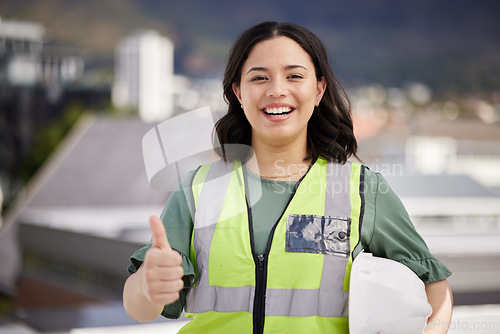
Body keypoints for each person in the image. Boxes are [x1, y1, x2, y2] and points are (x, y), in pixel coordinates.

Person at [123, 21, 453, 333]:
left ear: (319, 89)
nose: (277, 90)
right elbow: (140, 308)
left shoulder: (364, 190)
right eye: (259, 78)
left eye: (294, 76)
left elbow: (434, 289)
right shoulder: (198, 189)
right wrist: (148, 285)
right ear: (238, 92)